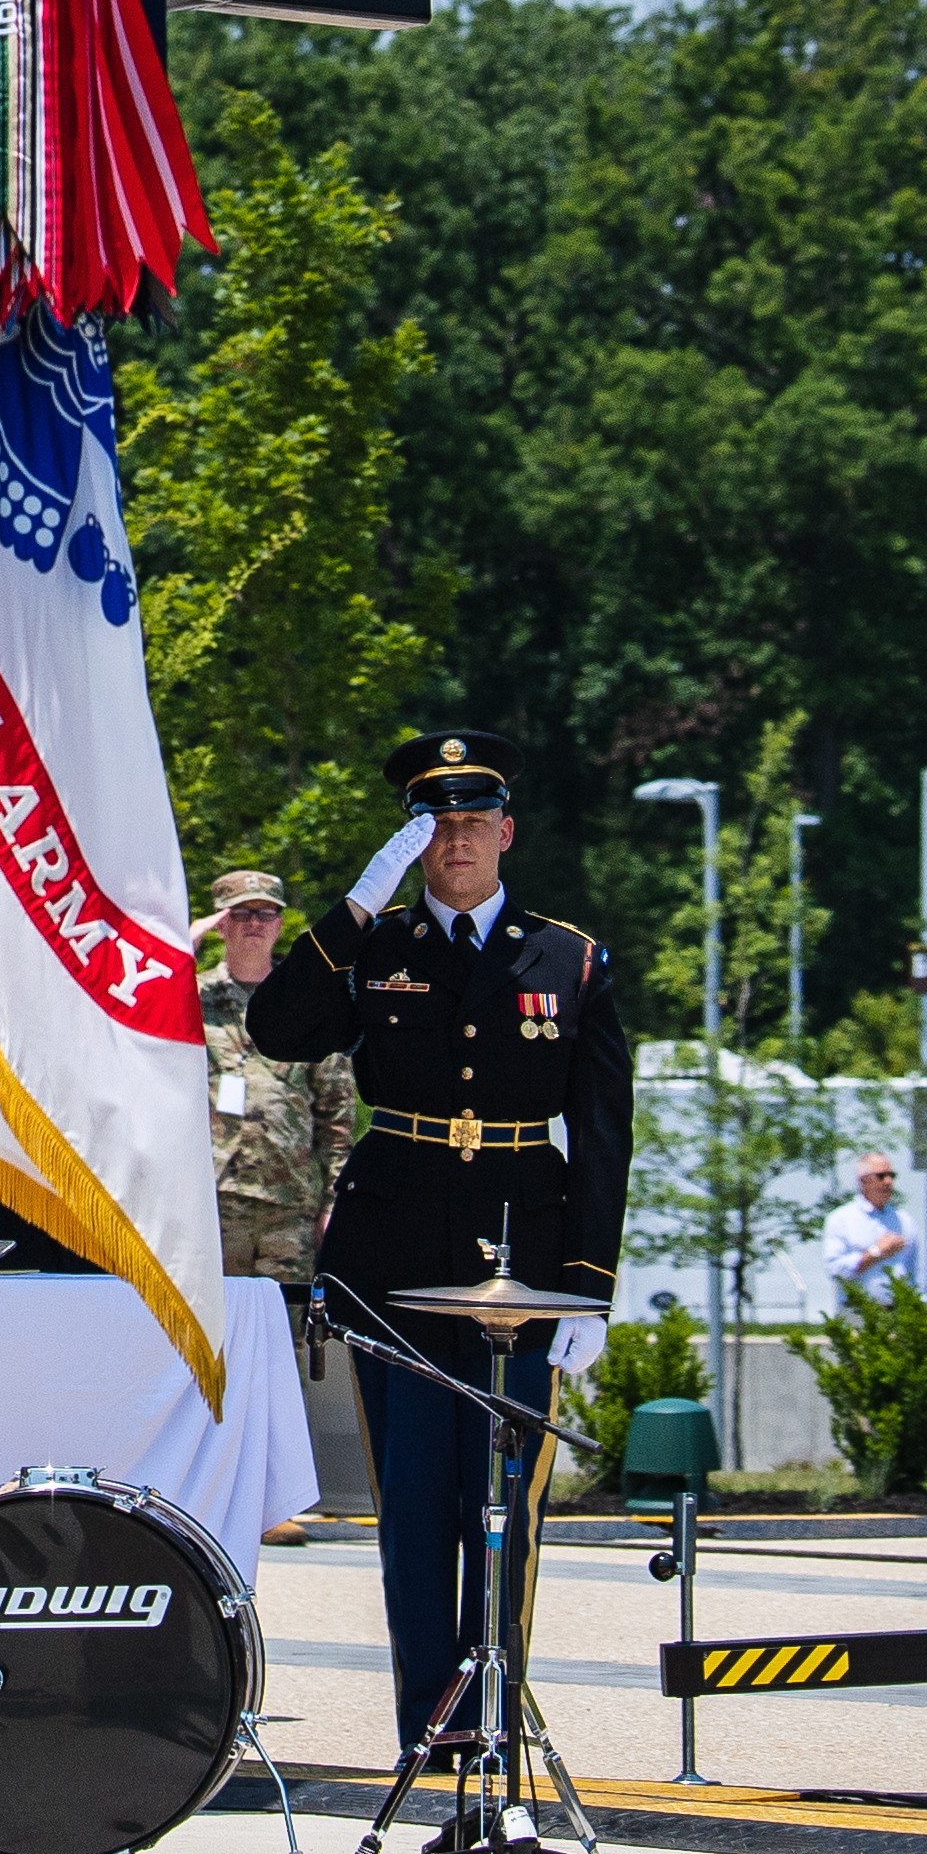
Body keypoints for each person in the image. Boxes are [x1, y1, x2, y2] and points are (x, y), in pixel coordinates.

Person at [233, 727, 638, 1759]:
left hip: (521, 1259)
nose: (457, 841)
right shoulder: (380, 945)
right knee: (415, 1513)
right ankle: (430, 1734)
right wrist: (357, 904)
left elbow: (601, 1137)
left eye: (473, 821)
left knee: (505, 1511)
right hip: (393, 1262)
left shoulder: (570, 956)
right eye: (437, 825)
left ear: (507, 831)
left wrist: (589, 1287)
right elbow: (278, 1028)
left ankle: (494, 1723)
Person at [197, 868, 351, 1289]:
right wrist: (182, 948)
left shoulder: (305, 1001)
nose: (254, 925)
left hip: (289, 1208)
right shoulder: (190, 998)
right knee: (212, 1340)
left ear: (280, 925)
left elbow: (337, 1118)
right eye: (242, 914)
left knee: (285, 1338)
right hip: (212, 1202)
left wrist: (333, 1203)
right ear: (221, 923)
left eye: (265, 915)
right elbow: (143, 1028)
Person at [823, 1153, 916, 1302]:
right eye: (881, 1176)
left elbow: (916, 1272)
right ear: (863, 1181)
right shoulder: (840, 1219)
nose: (888, 1181)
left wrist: (923, 1306)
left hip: (897, 1311)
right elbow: (835, 1270)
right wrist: (876, 1252)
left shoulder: (905, 1221)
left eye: (891, 1175)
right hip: (855, 1310)